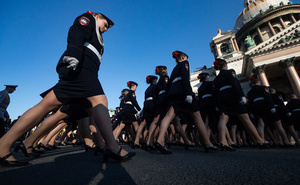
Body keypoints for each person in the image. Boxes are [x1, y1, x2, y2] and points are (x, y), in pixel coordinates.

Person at [0, 11, 135, 167]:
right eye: (105, 25)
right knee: (100, 101)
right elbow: (77, 32)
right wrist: (73, 54)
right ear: (98, 17)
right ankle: (111, 147)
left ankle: (6, 144)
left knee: (46, 106)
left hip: (83, 72)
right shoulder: (88, 19)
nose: (106, 29)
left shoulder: (97, 31)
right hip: (82, 70)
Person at [156, 51, 217, 154]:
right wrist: (188, 93)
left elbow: (170, 84)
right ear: (183, 57)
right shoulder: (185, 63)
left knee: (169, 116)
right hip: (183, 91)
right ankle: (207, 143)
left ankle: (160, 140)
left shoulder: (174, 69)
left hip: (173, 93)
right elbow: (185, 78)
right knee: (197, 115)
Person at [213, 59, 267, 150]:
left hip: (222, 97)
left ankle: (222, 141)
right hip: (232, 95)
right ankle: (259, 140)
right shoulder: (230, 72)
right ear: (225, 65)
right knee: (245, 119)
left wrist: (217, 104)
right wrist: (242, 96)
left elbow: (215, 92)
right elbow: (235, 83)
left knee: (223, 118)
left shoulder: (216, 79)